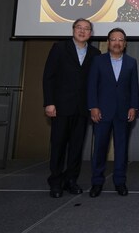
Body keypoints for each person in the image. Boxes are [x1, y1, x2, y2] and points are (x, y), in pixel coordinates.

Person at [43, 18, 101, 198]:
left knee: (76, 147)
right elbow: (48, 77)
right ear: (73, 30)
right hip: (60, 106)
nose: (83, 31)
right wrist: (49, 102)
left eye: (87, 29)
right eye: (79, 28)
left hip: (82, 108)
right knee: (58, 145)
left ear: (91, 33)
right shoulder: (59, 48)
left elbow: (95, 83)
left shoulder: (95, 53)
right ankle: (55, 182)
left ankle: (71, 180)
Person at [87, 28, 139, 198]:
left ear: (125, 44)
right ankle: (97, 182)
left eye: (120, 40)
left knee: (122, 150)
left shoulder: (132, 62)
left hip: (123, 113)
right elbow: (92, 86)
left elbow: (134, 88)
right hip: (101, 112)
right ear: (108, 42)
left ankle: (120, 182)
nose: (117, 43)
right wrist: (93, 106)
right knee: (99, 149)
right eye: (113, 39)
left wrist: (133, 107)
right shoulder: (98, 61)